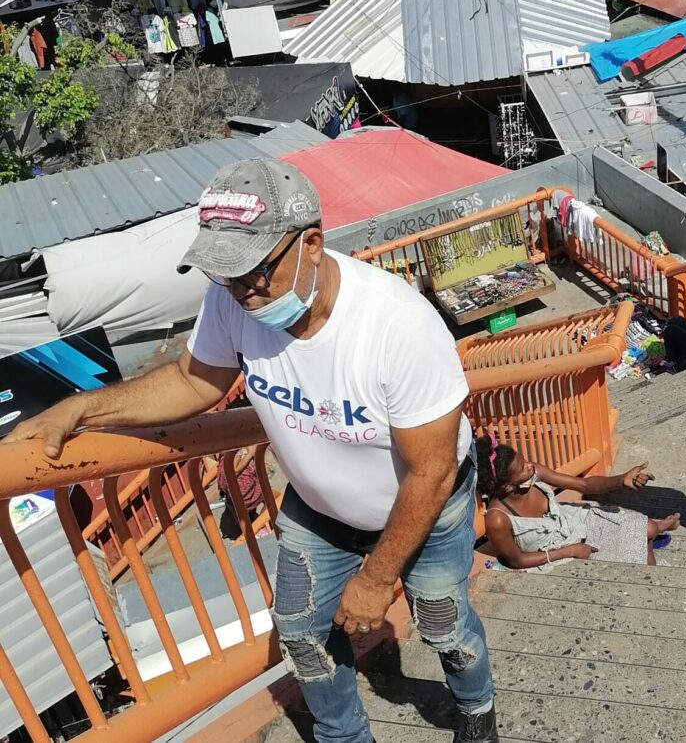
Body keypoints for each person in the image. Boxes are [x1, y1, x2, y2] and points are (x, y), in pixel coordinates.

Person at [5, 159, 498, 743]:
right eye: (225, 278)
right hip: (321, 512)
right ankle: (344, 738)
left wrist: (376, 576)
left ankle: (476, 707)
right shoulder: (234, 303)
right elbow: (193, 382)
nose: (243, 292)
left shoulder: (397, 327)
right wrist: (79, 408)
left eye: (256, 273)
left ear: (311, 244)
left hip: (424, 505)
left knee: (441, 621)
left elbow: (432, 471)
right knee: (301, 632)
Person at [477, 436, 680, 568]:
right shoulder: (498, 520)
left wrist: (621, 480)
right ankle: (653, 582)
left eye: (525, 461)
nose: (530, 466)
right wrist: (570, 550)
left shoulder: (535, 473)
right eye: (522, 468)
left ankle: (657, 531)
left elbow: (583, 485)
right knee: (642, 546)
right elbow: (517, 560)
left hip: (574, 520)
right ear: (508, 487)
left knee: (649, 530)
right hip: (558, 550)